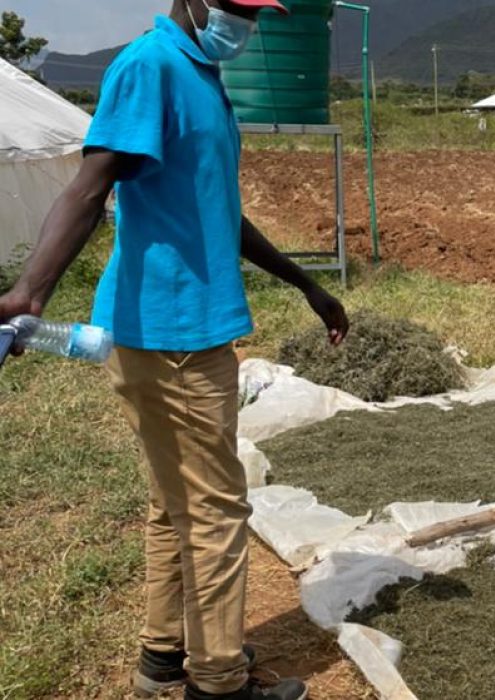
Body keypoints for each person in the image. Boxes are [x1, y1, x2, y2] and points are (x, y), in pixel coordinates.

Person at [0, 2, 349, 699]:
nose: (245, 23)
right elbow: (89, 183)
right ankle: (218, 681)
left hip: (177, 330)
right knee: (218, 509)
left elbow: (215, 207)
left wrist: (307, 283)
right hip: (175, 337)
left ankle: (163, 655)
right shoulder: (151, 66)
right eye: (235, 8)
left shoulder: (201, 70)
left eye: (255, 13)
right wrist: (28, 294)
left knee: (172, 501)